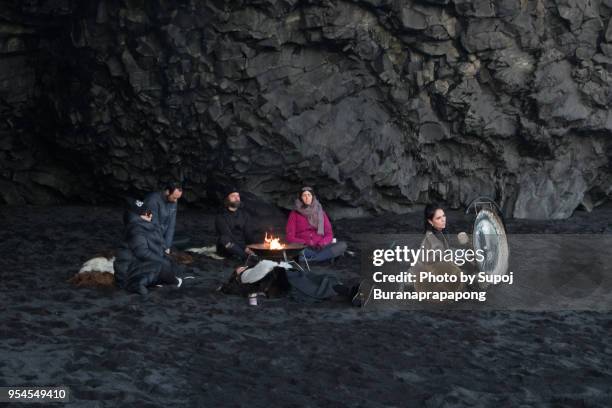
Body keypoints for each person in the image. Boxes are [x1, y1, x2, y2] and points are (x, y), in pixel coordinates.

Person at [114, 198, 187, 295]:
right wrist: (163, 261)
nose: (151, 215)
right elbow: (142, 252)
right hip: (128, 272)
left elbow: (155, 247)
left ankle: (168, 280)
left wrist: (166, 257)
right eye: (147, 213)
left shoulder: (143, 227)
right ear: (137, 216)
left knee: (173, 267)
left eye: (150, 212)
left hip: (138, 266)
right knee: (161, 268)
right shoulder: (136, 231)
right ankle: (173, 282)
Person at [286, 186, 347, 263]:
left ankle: (313, 259)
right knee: (297, 252)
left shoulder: (320, 212)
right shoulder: (294, 214)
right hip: (304, 248)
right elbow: (290, 237)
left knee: (342, 245)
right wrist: (303, 243)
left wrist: (322, 243)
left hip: (320, 247)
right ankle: (322, 258)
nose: (307, 197)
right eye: (304, 195)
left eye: (309, 195)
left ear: (313, 197)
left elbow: (329, 233)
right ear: (301, 198)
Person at [215, 186, 258, 261]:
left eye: (238, 196)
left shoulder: (245, 215)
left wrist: (253, 246)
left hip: (243, 245)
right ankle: (245, 257)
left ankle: (249, 256)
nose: (236, 198)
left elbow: (248, 233)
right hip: (228, 246)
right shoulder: (220, 217)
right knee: (224, 239)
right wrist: (245, 249)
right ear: (227, 199)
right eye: (233, 196)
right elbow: (228, 235)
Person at [144, 182, 183, 254]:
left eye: (177, 198)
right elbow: (153, 225)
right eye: (174, 197)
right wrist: (163, 246)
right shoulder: (152, 200)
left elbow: (171, 225)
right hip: (149, 234)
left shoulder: (174, 201)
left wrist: (167, 246)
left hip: (161, 235)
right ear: (167, 192)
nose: (175, 201)